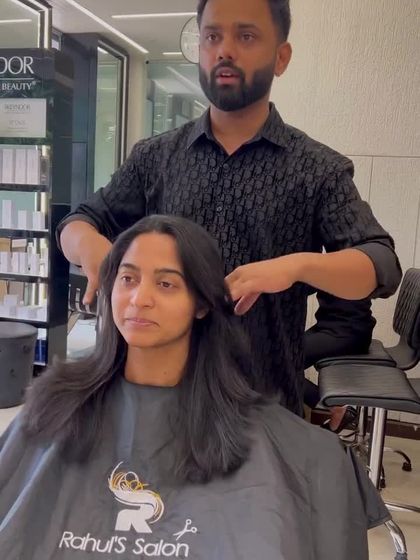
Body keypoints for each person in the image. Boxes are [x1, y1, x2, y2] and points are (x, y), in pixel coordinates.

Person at [57, 0, 401, 415]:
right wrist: (91, 247)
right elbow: (77, 222)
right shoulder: (155, 157)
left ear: (281, 58)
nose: (224, 50)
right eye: (212, 37)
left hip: (261, 403)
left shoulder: (317, 170)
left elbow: (381, 264)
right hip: (157, 401)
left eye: (246, 36)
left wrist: (294, 267)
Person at [0, 216, 390, 560]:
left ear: (202, 304)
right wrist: (81, 238)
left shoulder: (277, 444)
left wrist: (299, 266)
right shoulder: (54, 408)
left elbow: (381, 263)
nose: (140, 299)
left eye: (166, 283)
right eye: (128, 279)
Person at [304, 292, 375, 431]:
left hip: (345, 331)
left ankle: (336, 407)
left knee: (276, 364)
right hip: (338, 326)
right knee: (277, 357)